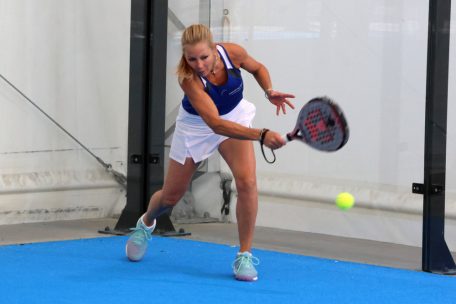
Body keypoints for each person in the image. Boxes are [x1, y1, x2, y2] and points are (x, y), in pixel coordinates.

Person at [125, 24, 295, 282]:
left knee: (247, 182)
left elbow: (258, 68)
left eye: (203, 57)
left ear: (215, 49)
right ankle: (146, 222)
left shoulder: (233, 53)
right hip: (197, 127)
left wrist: (268, 90)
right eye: (191, 58)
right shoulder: (188, 78)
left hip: (234, 116)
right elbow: (215, 124)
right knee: (171, 197)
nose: (199, 64)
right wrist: (261, 134)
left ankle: (245, 255)